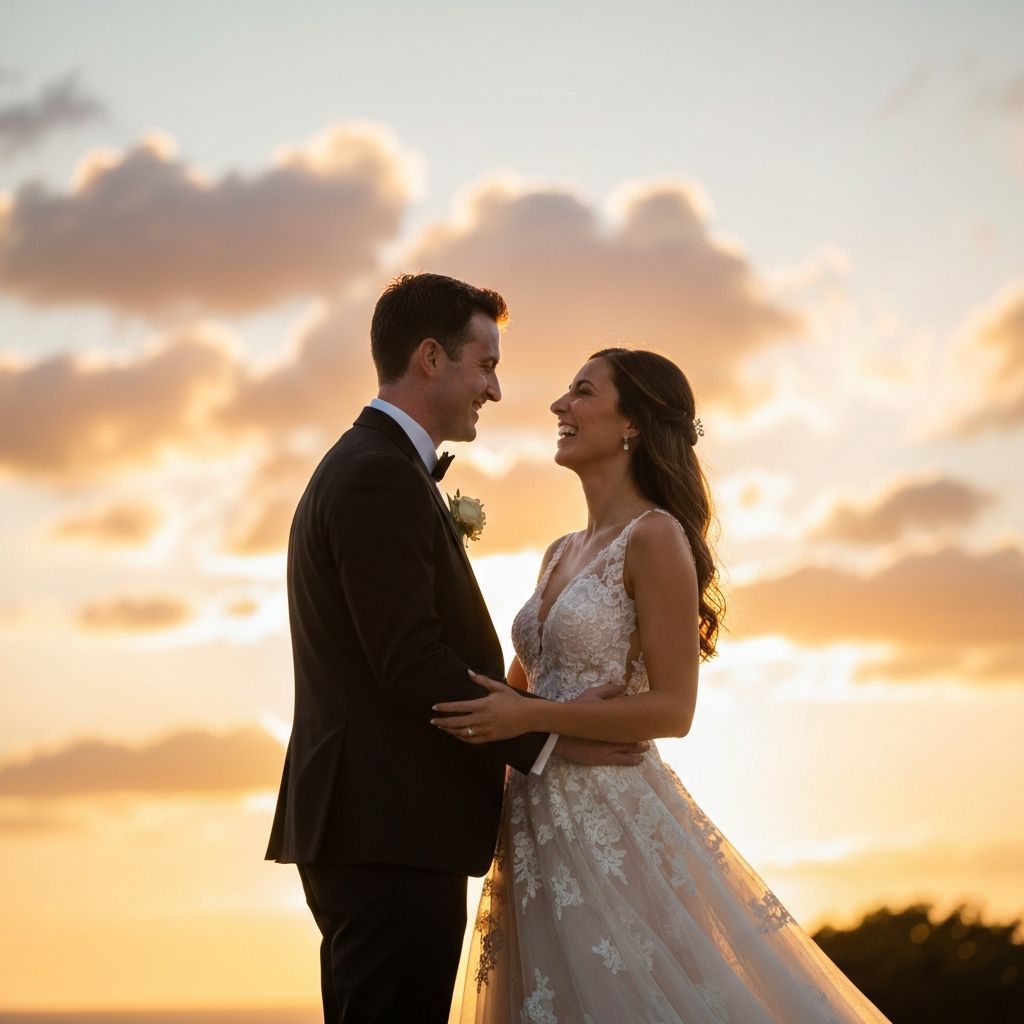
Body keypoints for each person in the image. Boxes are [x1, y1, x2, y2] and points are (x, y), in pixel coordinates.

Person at [432, 348, 891, 1022]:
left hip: (609, 824)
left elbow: (673, 710)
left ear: (634, 425)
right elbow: (517, 696)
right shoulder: (559, 551)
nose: (560, 405)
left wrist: (538, 721)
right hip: (533, 827)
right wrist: (527, 720)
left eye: (582, 392)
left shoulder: (656, 538)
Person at [264, 275, 647, 1024]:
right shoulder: (377, 475)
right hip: (391, 829)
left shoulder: (372, 466)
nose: (496, 390)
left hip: (371, 825)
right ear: (431, 359)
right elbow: (409, 663)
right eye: (485, 363)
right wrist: (553, 729)